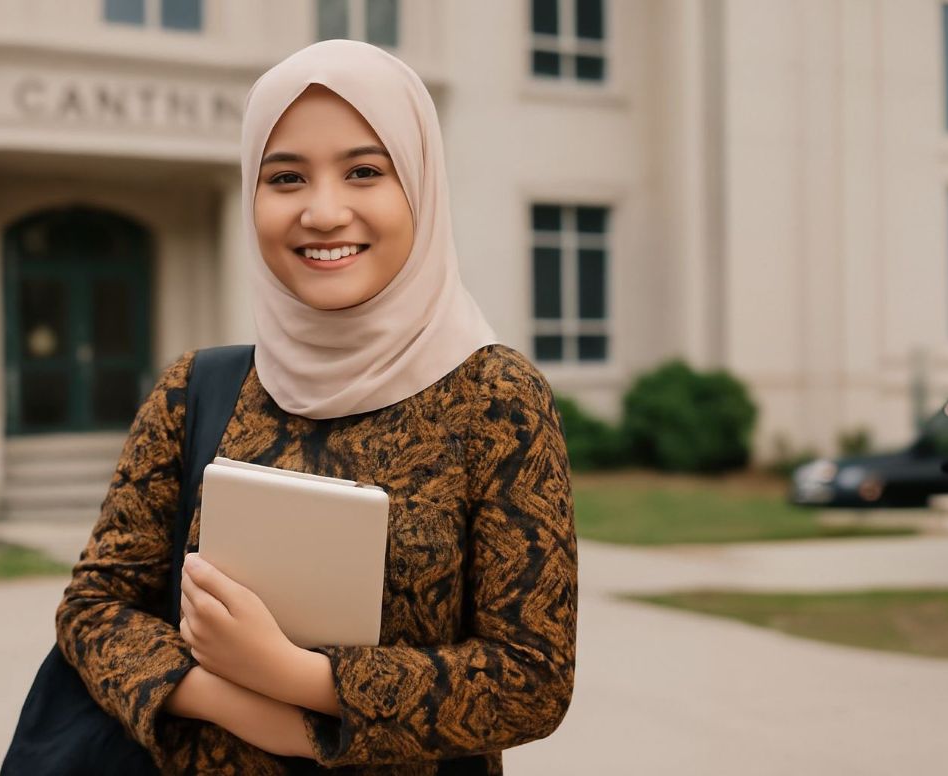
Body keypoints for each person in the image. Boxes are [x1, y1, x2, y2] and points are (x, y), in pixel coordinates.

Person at [55, 39, 577, 775]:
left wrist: (294, 678)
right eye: (286, 177)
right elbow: (93, 609)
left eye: (365, 171)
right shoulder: (195, 392)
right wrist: (232, 703)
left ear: (420, 187)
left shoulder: (495, 401)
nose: (323, 212)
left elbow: (531, 681)